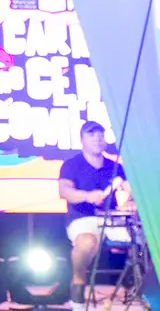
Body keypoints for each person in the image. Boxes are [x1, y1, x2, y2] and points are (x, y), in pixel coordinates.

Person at [59, 120, 132, 310]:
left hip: (111, 219)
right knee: (87, 242)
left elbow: (130, 190)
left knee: (142, 238)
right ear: (82, 140)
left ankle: (140, 289)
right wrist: (87, 196)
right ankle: (78, 284)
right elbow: (65, 191)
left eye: (100, 135)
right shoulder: (72, 165)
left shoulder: (114, 166)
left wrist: (132, 201)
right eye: (91, 135)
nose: (97, 139)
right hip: (82, 218)